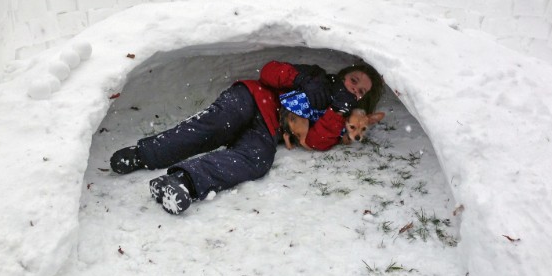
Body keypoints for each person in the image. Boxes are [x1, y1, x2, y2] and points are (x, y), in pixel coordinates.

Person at [109, 59, 383, 215]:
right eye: (355, 80)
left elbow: (315, 142)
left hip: (269, 129)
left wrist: (336, 109)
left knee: (257, 160)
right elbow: (269, 72)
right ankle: (144, 155)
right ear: (346, 74)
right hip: (253, 99)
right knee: (214, 126)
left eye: (360, 91)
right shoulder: (317, 75)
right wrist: (301, 79)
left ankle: (183, 182)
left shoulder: (344, 118)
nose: (354, 87)